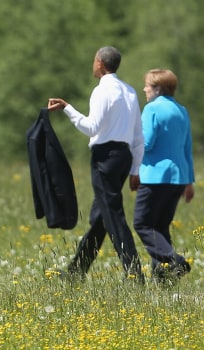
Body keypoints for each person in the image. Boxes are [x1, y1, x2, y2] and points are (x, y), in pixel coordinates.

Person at [47, 46, 145, 283]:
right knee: (100, 217)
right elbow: (138, 136)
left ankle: (135, 274)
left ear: (100, 64)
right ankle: (76, 272)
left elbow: (91, 128)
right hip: (124, 157)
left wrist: (67, 108)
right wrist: (135, 170)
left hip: (105, 157)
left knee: (113, 215)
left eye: (94, 60)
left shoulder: (102, 91)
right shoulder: (130, 91)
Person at [129, 68, 195, 282]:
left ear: (157, 89)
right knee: (160, 228)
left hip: (155, 176)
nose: (144, 89)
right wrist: (189, 181)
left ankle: (174, 261)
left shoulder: (152, 109)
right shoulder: (181, 110)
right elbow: (187, 148)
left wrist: (128, 139)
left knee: (142, 223)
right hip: (178, 177)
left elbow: (146, 143)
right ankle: (165, 279)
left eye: (147, 85)